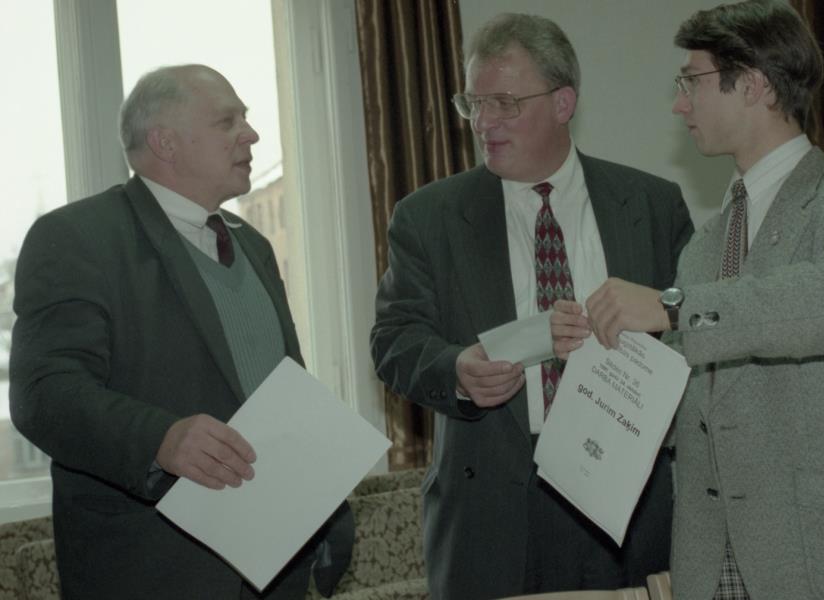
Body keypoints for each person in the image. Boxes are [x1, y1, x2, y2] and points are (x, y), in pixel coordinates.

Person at [551, 1, 824, 599]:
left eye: (690, 82)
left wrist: (673, 307)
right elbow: (696, 417)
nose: (678, 105)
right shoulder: (704, 249)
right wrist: (606, 361)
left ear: (754, 84)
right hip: (714, 567)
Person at [370, 13, 693, 600]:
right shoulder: (427, 217)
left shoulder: (652, 204)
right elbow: (394, 341)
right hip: (491, 510)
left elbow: (696, 331)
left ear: (563, 103)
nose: (483, 122)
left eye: (504, 103)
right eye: (473, 104)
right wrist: (455, 370)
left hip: (628, 501)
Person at [10, 64, 351, 599]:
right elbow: (43, 395)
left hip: (277, 568)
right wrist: (160, 439)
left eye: (245, 119)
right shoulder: (77, 237)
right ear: (164, 142)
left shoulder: (254, 246)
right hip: (155, 572)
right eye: (227, 121)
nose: (251, 134)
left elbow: (282, 389)